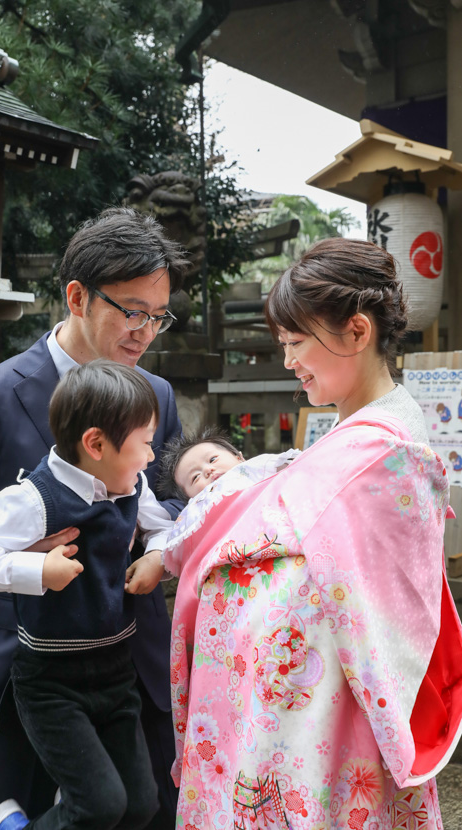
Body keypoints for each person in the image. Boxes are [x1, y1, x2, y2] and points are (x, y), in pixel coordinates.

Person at [163, 238, 462, 830]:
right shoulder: (357, 440)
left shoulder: (384, 451)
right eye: (284, 344)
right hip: (304, 706)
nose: (290, 360)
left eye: (297, 343)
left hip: (320, 711)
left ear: (356, 332)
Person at [0, 207, 190, 830]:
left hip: (129, 668)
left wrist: (154, 539)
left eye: (157, 315)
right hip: (21, 674)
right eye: (131, 310)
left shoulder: (158, 397)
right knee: (8, 813)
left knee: (139, 811)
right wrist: (22, 562)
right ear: (76, 296)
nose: (145, 332)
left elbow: (176, 502)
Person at [0, 360, 175, 830]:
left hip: (116, 672)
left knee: (140, 805)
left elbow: (166, 527)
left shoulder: (134, 486)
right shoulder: (32, 499)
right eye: (146, 443)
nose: (152, 457)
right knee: (99, 806)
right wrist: (36, 569)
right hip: (51, 680)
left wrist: (156, 555)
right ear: (95, 444)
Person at [124, 428, 299, 594]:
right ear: (189, 498)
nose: (208, 470)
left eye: (213, 459)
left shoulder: (255, 468)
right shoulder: (196, 512)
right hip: (237, 572)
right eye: (195, 477)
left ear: (239, 457)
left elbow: (293, 468)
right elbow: (177, 549)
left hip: (284, 546)